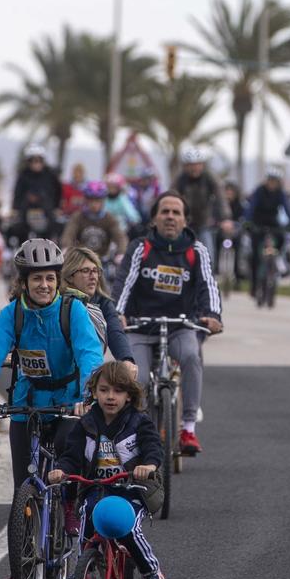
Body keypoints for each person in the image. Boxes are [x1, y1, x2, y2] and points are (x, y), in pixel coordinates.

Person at [0, 237, 106, 579]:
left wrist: (86, 398)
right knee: (23, 493)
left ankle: (68, 510)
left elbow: (89, 354)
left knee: (65, 468)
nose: (43, 286)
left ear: (58, 280)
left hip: (67, 404)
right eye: (36, 279)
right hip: (26, 405)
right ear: (24, 282)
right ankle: (21, 568)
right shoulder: (12, 314)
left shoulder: (72, 311)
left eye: (49, 278)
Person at [49, 360, 169, 579]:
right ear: (94, 392)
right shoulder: (85, 424)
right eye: (104, 390)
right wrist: (62, 470)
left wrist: (149, 466)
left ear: (128, 395)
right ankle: (86, 569)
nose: (110, 397)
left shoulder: (139, 421)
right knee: (87, 514)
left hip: (133, 489)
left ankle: (151, 571)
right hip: (98, 488)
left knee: (127, 529)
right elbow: (71, 456)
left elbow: (154, 448)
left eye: (117, 391)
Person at [116, 189, 225, 455]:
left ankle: (188, 428)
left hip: (180, 326)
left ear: (185, 220)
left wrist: (213, 315)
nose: (170, 217)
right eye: (165, 211)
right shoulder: (140, 247)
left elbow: (209, 287)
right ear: (154, 218)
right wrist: (117, 313)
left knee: (191, 356)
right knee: (137, 377)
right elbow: (123, 284)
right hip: (140, 327)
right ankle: (135, 432)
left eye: (176, 212)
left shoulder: (197, 251)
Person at [63, 245, 134, 361]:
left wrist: (126, 359)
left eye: (95, 271)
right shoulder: (60, 302)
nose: (93, 277)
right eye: (86, 271)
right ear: (70, 276)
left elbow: (115, 331)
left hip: (91, 365)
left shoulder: (103, 302)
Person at [171, 147, 231, 258]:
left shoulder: (210, 178)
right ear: (185, 166)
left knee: (208, 256)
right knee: (179, 254)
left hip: (204, 223)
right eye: (191, 165)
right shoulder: (180, 180)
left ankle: (208, 274)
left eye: (197, 164)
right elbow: (171, 198)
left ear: (202, 165)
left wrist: (225, 218)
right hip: (184, 223)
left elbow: (221, 198)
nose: (194, 168)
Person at [242, 166, 290, 285]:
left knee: (281, 238)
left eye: (275, 181)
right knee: (256, 252)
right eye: (270, 180)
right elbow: (251, 207)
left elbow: (287, 208)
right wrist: (247, 221)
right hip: (257, 222)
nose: (272, 183)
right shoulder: (259, 191)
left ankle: (276, 258)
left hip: (272, 222)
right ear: (266, 180)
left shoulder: (280, 193)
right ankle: (254, 283)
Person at [62, 180, 129, 262]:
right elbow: (69, 234)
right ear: (86, 200)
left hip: (103, 260)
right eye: (91, 200)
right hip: (82, 260)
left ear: (103, 201)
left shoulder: (109, 218)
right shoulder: (78, 217)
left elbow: (120, 237)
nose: (94, 204)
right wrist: (66, 248)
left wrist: (121, 253)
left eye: (97, 200)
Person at [10, 144, 63, 240]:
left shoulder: (50, 175)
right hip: (26, 210)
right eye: (33, 161)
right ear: (29, 162)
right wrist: (15, 208)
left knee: (54, 228)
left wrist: (57, 207)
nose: (36, 164)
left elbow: (58, 192)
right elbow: (17, 193)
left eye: (39, 161)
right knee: (18, 229)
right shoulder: (23, 175)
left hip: (47, 211)